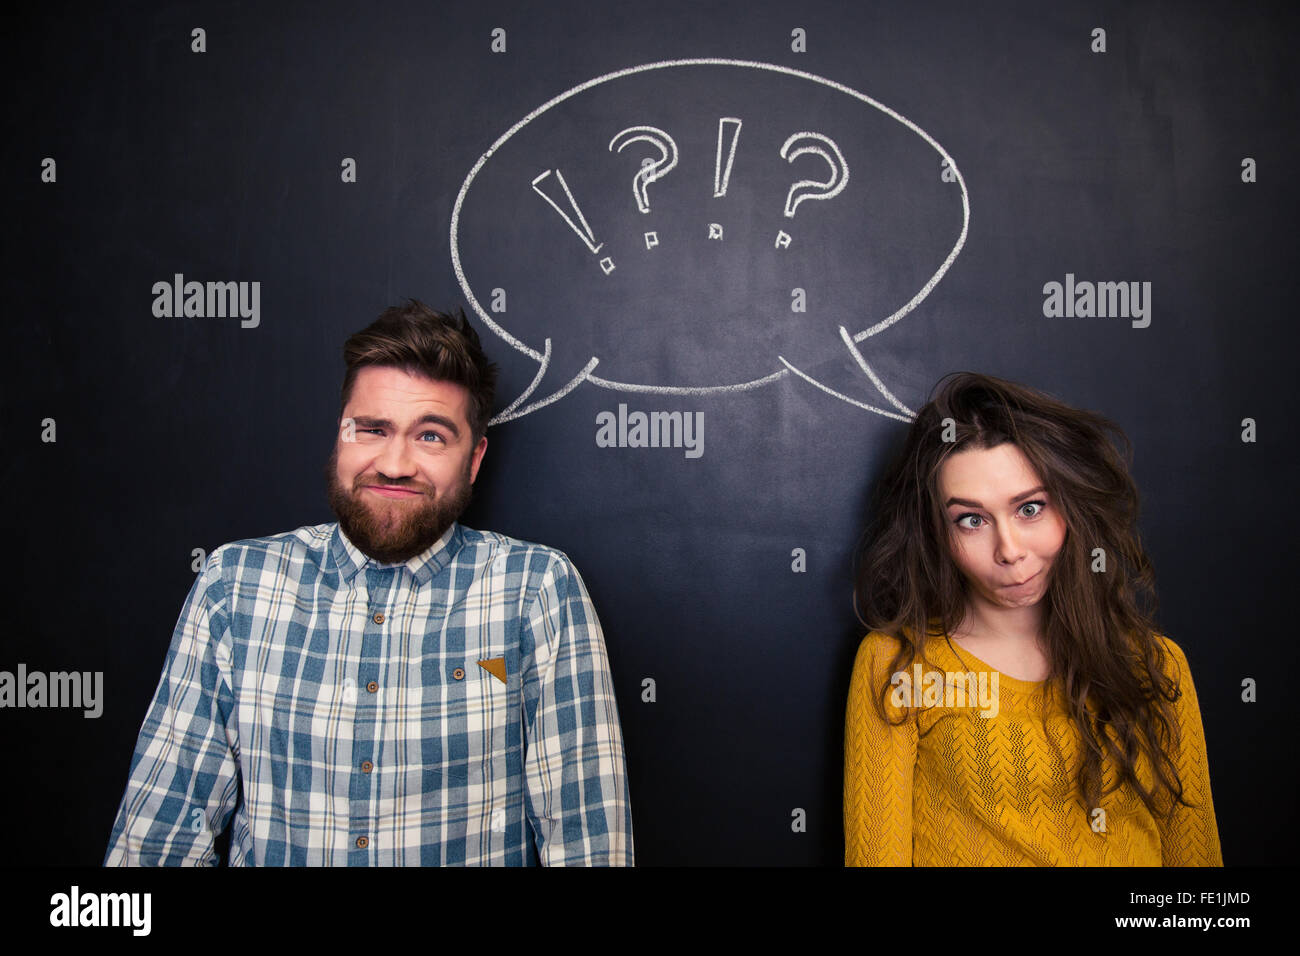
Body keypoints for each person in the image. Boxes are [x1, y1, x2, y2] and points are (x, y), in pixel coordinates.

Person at [105, 300, 633, 866]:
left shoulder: (536, 590)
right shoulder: (235, 585)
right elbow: (159, 837)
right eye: (373, 429)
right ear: (341, 436)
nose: (395, 463)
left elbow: (585, 841)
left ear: (473, 459)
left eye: (431, 436)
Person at [844, 372, 1221, 866]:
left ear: (1068, 506)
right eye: (972, 520)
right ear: (937, 531)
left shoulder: (1155, 664)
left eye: (1029, 508)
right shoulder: (899, 667)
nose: (1010, 551)